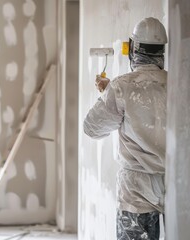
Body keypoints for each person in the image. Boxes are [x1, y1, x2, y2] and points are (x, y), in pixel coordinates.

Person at [83, 17, 168, 240]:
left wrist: (107, 94)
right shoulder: (179, 84)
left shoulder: (122, 87)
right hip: (175, 186)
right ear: (162, 51)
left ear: (133, 49)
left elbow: (92, 128)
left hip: (135, 192)